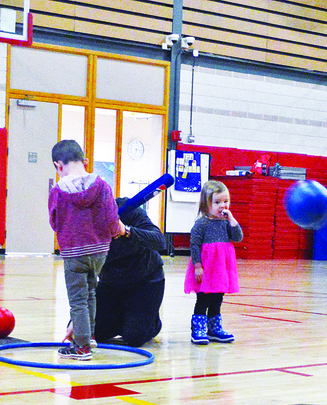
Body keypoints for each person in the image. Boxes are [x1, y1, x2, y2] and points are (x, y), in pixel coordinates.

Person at [48, 140, 123, 361]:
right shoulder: (102, 185)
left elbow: (54, 220)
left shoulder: (58, 191)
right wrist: (113, 233)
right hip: (100, 250)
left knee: (78, 299)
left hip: (74, 252)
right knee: (91, 292)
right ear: (85, 161)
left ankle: (81, 347)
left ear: (58, 165)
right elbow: (112, 217)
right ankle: (88, 337)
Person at [94, 197, 167, 347]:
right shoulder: (82, 224)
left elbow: (159, 241)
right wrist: (74, 320)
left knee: (134, 337)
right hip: (111, 283)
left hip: (146, 280)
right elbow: (82, 275)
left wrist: (126, 231)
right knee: (96, 332)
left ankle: (150, 320)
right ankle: (128, 316)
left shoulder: (128, 208)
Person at [185, 180, 243, 345]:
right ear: (206, 204)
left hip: (221, 269)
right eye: (217, 202)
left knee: (218, 297)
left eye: (225, 201)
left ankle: (214, 329)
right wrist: (197, 266)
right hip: (206, 268)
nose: (222, 206)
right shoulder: (201, 224)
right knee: (203, 298)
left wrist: (232, 219)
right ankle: (198, 329)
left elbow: (238, 237)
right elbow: (194, 245)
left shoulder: (226, 222)